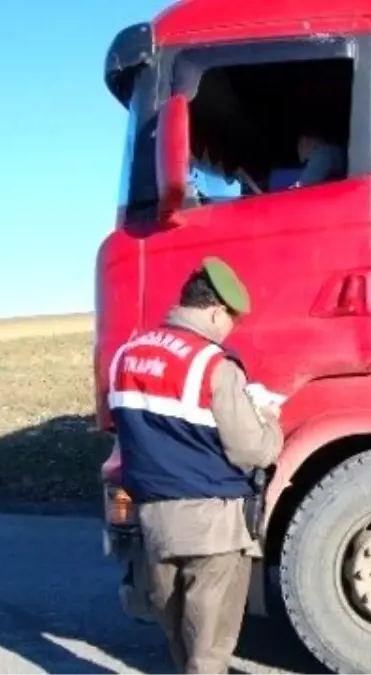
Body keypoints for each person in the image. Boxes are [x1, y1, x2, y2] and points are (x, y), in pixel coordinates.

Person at [107, 256, 283, 675]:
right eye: (230, 320)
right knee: (209, 651)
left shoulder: (126, 357)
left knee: (178, 639)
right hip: (213, 527)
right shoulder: (212, 365)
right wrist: (271, 423)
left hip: (156, 522)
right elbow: (251, 451)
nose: (229, 330)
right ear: (216, 310)